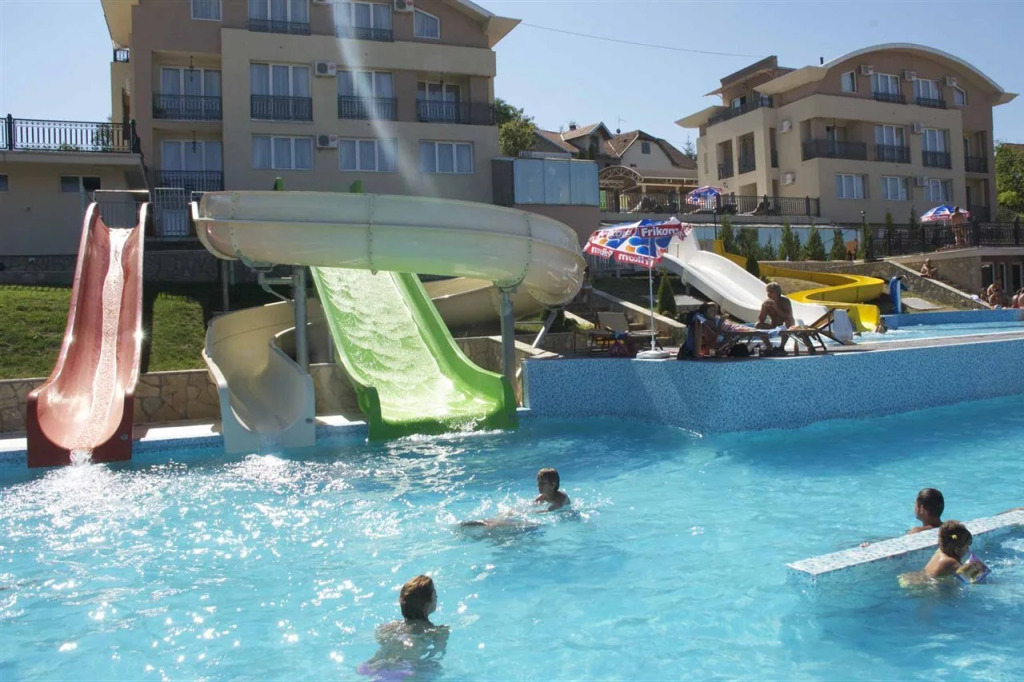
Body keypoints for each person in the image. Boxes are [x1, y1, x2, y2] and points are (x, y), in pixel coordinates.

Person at [359, 575, 449, 678]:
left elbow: (381, 642)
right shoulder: (438, 632)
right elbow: (436, 655)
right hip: (405, 673)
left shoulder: (388, 627)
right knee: (436, 669)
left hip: (374, 667)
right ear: (427, 605)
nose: (437, 597)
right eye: (435, 595)